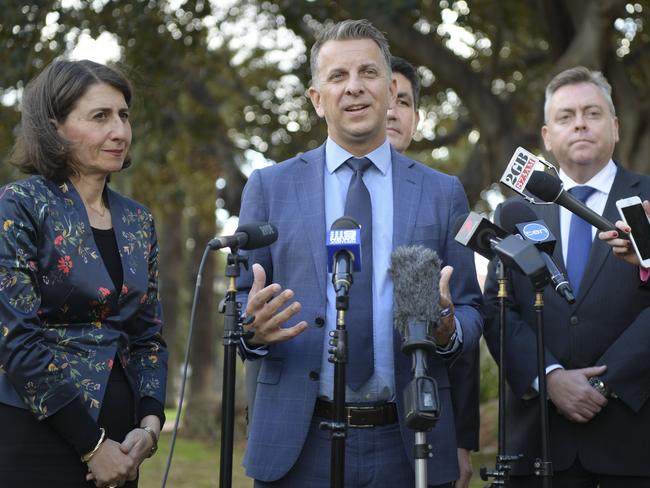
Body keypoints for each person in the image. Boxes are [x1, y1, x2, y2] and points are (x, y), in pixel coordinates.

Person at [237, 19, 482, 488]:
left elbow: (471, 308)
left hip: (408, 440)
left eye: (368, 73)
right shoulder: (269, 187)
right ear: (316, 99)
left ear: (391, 90)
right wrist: (252, 330)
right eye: (338, 77)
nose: (354, 88)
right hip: (297, 440)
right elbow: (240, 307)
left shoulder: (442, 192)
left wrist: (449, 329)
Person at [0, 59, 168, 488]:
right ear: (55, 127)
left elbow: (148, 335)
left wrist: (148, 426)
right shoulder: (20, 205)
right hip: (35, 436)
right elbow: (16, 339)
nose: (120, 131)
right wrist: (92, 446)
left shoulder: (137, 221)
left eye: (124, 115)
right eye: (100, 117)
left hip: (123, 445)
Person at [483, 66, 650, 487]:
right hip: (537, 442)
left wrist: (607, 383)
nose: (579, 123)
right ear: (546, 135)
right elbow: (497, 309)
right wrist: (550, 377)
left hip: (632, 438)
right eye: (565, 116)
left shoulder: (648, 201)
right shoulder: (513, 213)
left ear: (614, 126)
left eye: (592, 113)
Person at [387, 55, 479, 488]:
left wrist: (463, 438)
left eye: (402, 101)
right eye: (381, 96)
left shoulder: (446, 194)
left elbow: (465, 313)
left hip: (422, 430)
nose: (389, 109)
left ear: (416, 118)